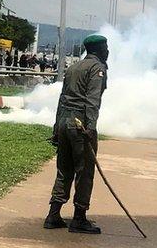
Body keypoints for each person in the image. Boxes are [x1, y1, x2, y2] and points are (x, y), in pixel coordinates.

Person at [44, 34, 109, 235]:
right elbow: (92, 100)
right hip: (80, 125)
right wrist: (90, 128)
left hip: (64, 122)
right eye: (106, 47)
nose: (108, 51)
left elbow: (62, 99)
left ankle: (53, 215)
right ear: (98, 49)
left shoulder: (73, 67)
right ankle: (79, 218)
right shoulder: (97, 68)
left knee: (64, 169)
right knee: (85, 171)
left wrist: (57, 128)